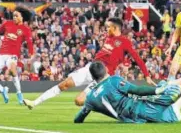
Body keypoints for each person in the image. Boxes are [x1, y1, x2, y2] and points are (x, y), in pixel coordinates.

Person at [23, 17, 155, 109]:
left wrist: (147, 75)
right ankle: (34, 103)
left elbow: (137, 58)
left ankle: (104, 100)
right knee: (64, 84)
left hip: (102, 76)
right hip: (90, 68)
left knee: (79, 101)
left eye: (108, 27)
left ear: (115, 28)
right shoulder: (108, 38)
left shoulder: (124, 41)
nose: (106, 28)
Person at [74, 61, 181, 124]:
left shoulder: (90, 98)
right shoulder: (113, 80)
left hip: (137, 114)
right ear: (105, 71)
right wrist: (157, 89)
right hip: (145, 107)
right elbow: (137, 89)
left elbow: (78, 119)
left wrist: (81, 117)